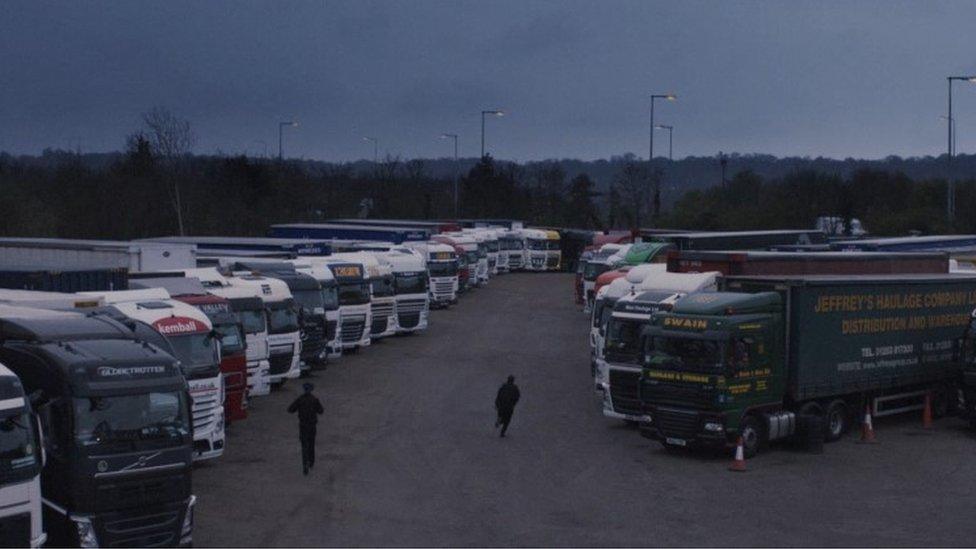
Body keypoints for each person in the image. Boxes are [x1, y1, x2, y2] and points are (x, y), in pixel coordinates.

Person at [287, 382, 324, 475]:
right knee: (311, 444)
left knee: (304, 446)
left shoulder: (300, 400)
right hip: (312, 425)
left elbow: (290, 409)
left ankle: (305, 464)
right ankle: (311, 462)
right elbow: (321, 411)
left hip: (303, 425)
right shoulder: (315, 400)